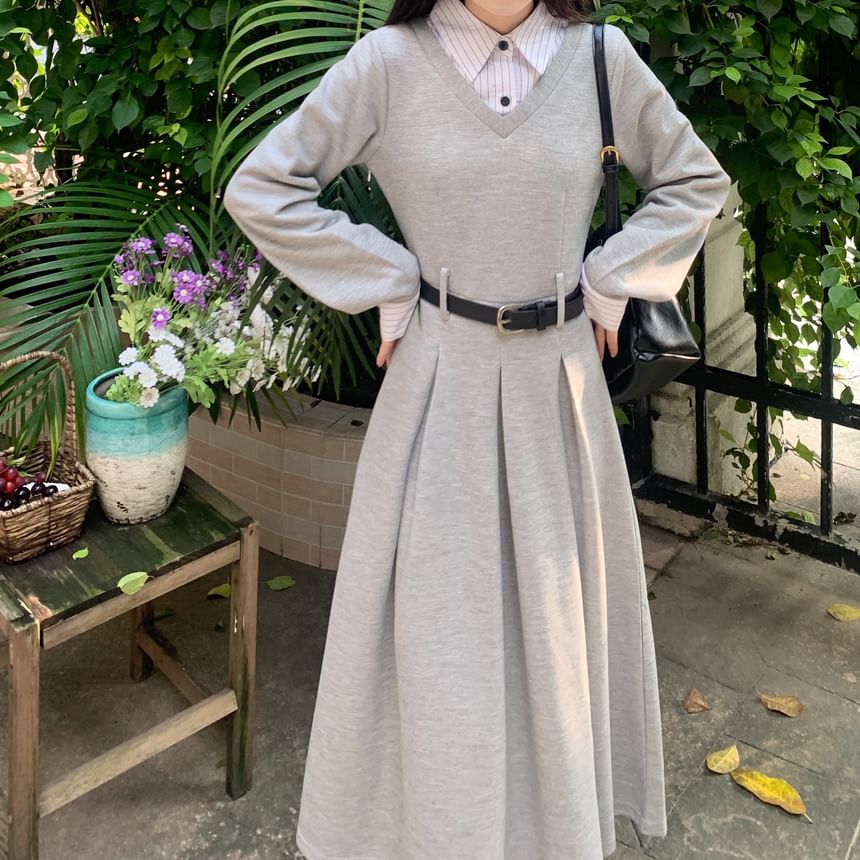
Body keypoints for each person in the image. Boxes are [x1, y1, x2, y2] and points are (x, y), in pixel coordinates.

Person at [223, 0, 732, 856]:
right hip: (437, 391)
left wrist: (611, 277)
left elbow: (694, 183)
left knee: (557, 641)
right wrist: (389, 278)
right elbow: (264, 189)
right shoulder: (387, 62)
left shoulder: (601, 57)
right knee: (438, 647)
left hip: (560, 394)